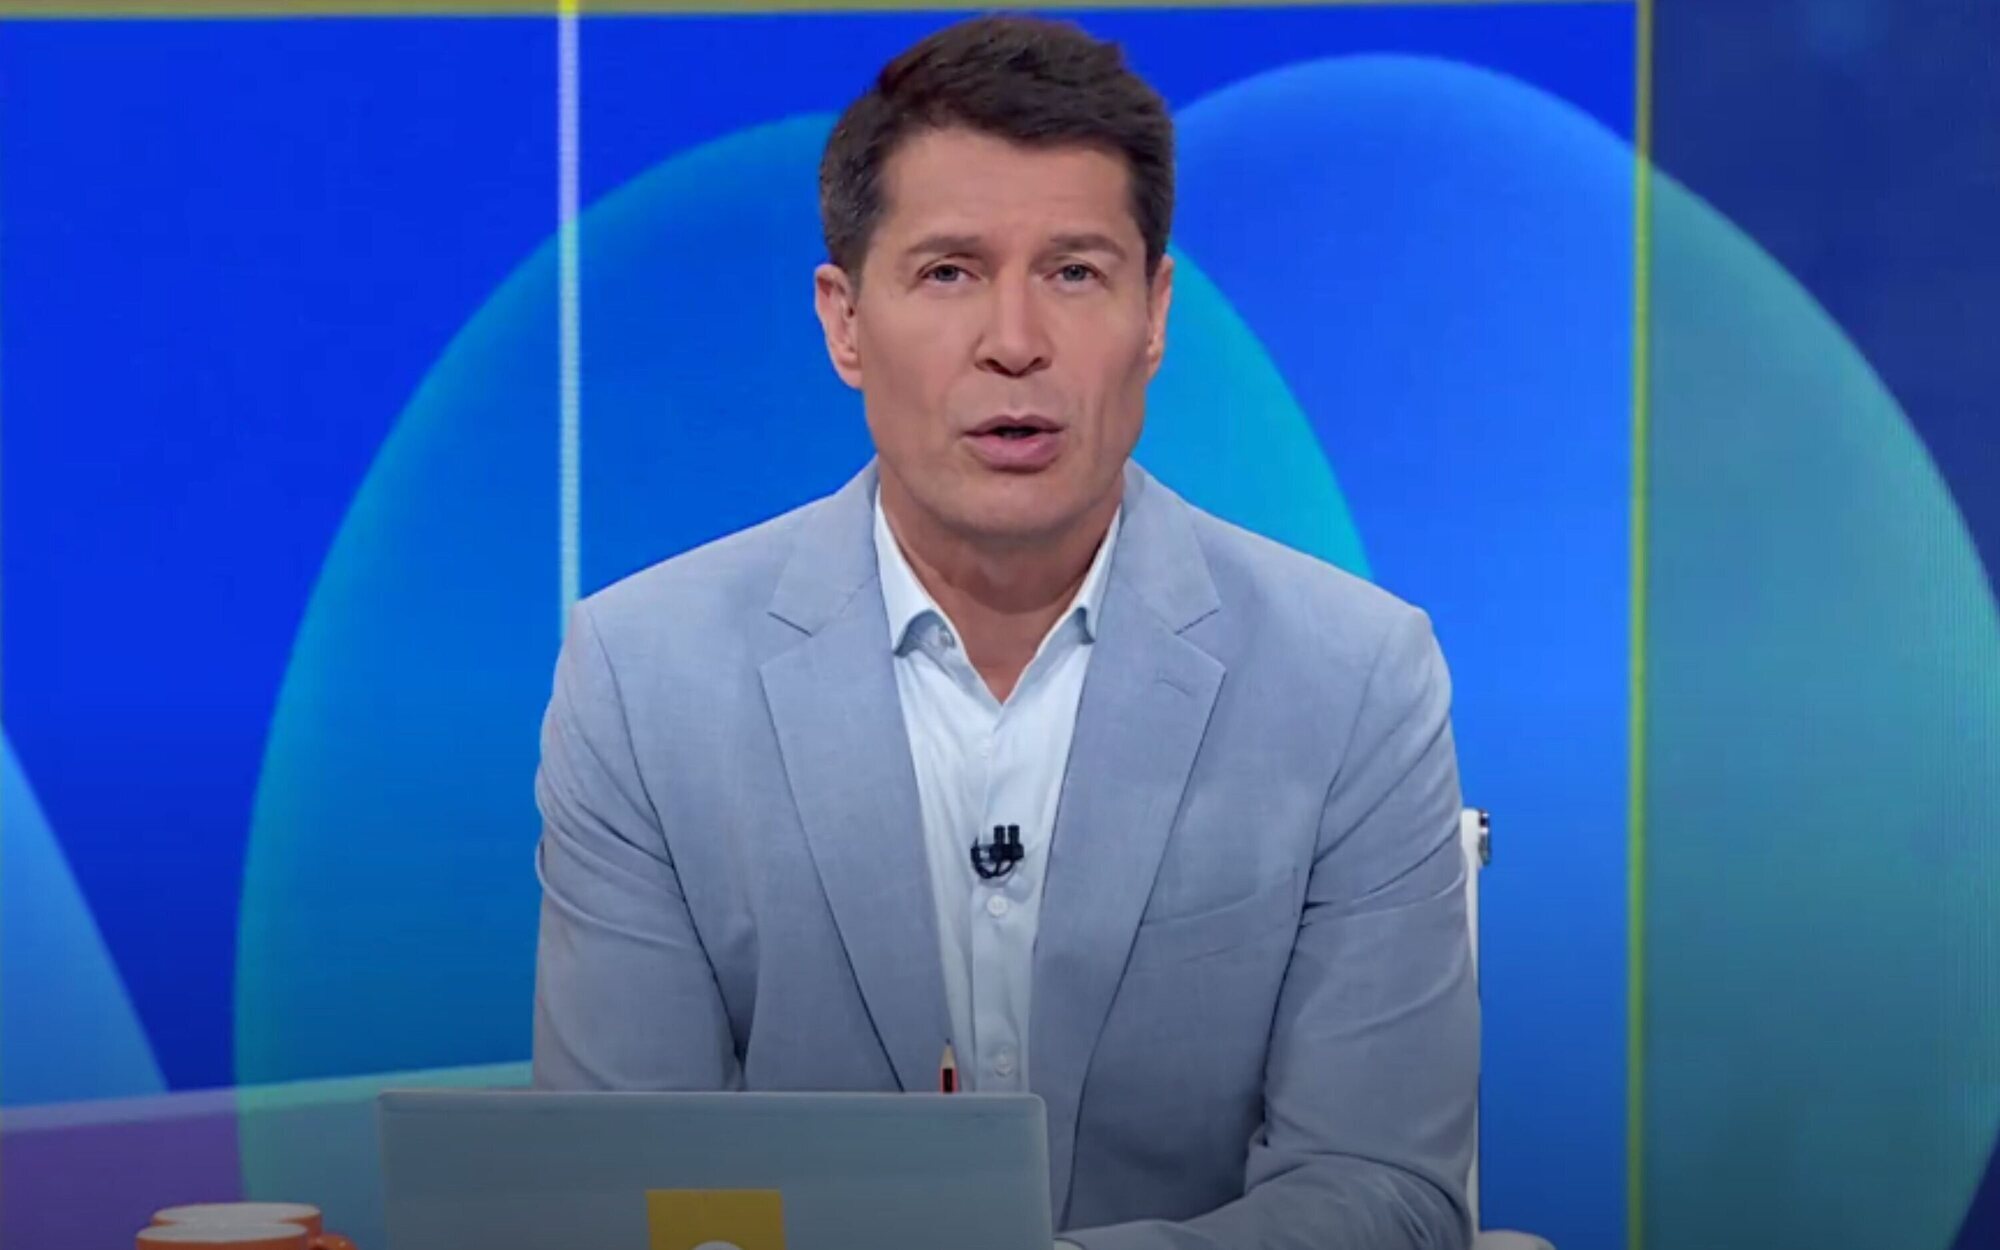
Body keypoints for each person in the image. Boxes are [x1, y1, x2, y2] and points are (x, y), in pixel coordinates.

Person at [533, 14, 1477, 1249]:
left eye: (1073, 272)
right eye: (948, 272)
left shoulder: (1353, 677)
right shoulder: (642, 678)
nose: (1014, 343)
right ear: (843, 321)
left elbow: (1386, 1191)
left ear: (1154, 313)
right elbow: (619, 1190)